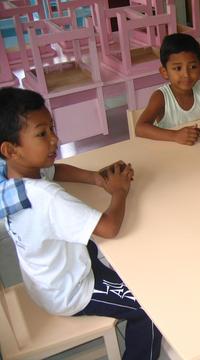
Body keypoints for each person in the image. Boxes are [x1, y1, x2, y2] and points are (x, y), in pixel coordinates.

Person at [0, 87, 161, 360]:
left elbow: (54, 170)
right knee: (153, 307)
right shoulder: (47, 198)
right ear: (10, 149)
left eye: (52, 128)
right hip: (71, 291)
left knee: (131, 257)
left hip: (45, 278)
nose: (55, 139)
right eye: (42, 133)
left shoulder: (9, 173)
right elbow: (110, 228)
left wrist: (98, 179)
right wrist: (119, 190)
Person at [135, 33, 200, 145]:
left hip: (199, 150)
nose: (186, 74)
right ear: (165, 72)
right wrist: (175, 136)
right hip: (170, 153)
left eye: (193, 67)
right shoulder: (161, 97)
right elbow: (140, 128)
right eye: (178, 68)